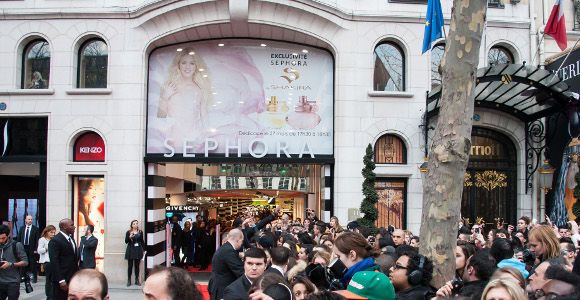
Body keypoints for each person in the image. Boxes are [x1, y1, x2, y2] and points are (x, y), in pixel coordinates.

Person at [157, 48, 211, 148]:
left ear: (196, 66)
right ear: (178, 65)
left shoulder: (200, 89)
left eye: (192, 63)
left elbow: (204, 117)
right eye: (184, 63)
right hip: (171, 138)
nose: (187, 67)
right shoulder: (169, 86)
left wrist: (208, 136)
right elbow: (160, 117)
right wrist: (164, 98)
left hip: (192, 138)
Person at [209, 228, 244, 300]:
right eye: (242, 241)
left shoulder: (226, 248)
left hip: (219, 286)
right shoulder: (229, 251)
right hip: (223, 290)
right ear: (238, 239)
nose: (242, 243)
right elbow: (240, 271)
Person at [48, 218, 79, 300]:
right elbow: (54, 262)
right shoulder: (55, 241)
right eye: (71, 225)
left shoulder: (71, 239)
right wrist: (61, 280)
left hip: (72, 278)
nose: (74, 227)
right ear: (64, 227)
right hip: (62, 280)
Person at [0, 224, 28, 300]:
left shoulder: (16, 245)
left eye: (3, 238)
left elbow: (25, 262)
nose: (1, 240)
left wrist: (11, 264)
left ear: (8, 235)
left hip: (13, 282)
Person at [16, 214, 39, 282]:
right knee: (23, 262)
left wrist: (36, 249)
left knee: (32, 263)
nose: (30, 220)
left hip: (31, 248)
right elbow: (19, 239)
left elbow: (37, 240)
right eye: (29, 219)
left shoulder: (35, 229)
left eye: (31, 219)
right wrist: (18, 248)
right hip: (23, 248)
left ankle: (34, 278)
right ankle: (22, 277)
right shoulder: (22, 228)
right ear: (25, 220)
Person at [38, 224, 56, 300]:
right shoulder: (42, 239)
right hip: (47, 262)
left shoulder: (54, 240)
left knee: (53, 279)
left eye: (54, 232)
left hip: (54, 261)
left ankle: (52, 294)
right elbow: (39, 250)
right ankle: (49, 295)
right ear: (47, 232)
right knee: (49, 280)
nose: (53, 234)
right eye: (51, 232)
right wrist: (47, 248)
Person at [125, 220, 145, 286]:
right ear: (132, 225)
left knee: (137, 266)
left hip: (138, 249)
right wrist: (129, 237)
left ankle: (137, 280)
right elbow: (126, 241)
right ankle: (129, 280)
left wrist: (144, 249)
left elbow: (142, 241)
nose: (136, 225)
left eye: (136, 223)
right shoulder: (128, 232)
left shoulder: (140, 232)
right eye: (134, 224)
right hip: (130, 249)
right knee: (130, 266)